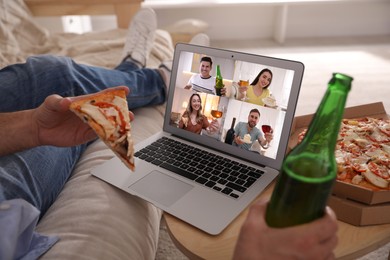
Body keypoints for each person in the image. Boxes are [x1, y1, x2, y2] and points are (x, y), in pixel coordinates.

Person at [0, 8, 338, 259]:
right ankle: (156, 77)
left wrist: (33, 127)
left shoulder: (256, 105)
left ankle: (135, 68)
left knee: (51, 74)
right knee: (84, 115)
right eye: (201, 70)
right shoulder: (198, 109)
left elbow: (255, 141)